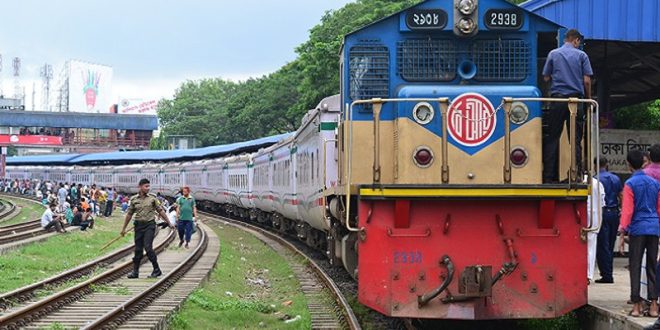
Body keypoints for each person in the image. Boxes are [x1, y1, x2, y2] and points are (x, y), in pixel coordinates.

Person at [541, 29, 593, 183]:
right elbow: (587, 81)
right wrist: (588, 99)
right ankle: (575, 175)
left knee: (552, 137)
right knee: (575, 139)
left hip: (557, 100)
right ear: (576, 40)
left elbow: (545, 77)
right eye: (579, 42)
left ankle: (548, 176)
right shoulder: (582, 55)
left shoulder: (553, 54)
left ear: (566, 39)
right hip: (576, 101)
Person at [618, 150, 660, 317]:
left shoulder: (630, 184)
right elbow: (659, 208)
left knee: (635, 267)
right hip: (654, 228)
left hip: (637, 229)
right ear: (643, 163)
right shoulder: (655, 184)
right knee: (652, 267)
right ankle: (654, 306)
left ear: (629, 164)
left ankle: (636, 306)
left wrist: (622, 231)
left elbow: (627, 211)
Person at [120, 178, 174, 279]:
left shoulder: (152, 198)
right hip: (138, 226)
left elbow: (160, 211)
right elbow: (129, 214)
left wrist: (169, 222)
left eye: (149, 186)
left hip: (150, 225)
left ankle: (156, 269)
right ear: (140, 187)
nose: (148, 188)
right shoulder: (134, 200)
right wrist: (123, 229)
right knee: (138, 250)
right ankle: (135, 272)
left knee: (148, 247)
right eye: (146, 186)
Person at [595, 157, 623, 284]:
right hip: (614, 213)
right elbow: (620, 195)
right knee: (611, 244)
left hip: (602, 213)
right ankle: (609, 271)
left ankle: (606, 274)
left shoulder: (595, 179)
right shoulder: (615, 178)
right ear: (607, 164)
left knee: (602, 245)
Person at [586, 172, 605, 284]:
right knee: (591, 247)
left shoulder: (580, 182)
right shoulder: (597, 183)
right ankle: (588, 275)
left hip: (581, 216)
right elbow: (602, 203)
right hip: (594, 218)